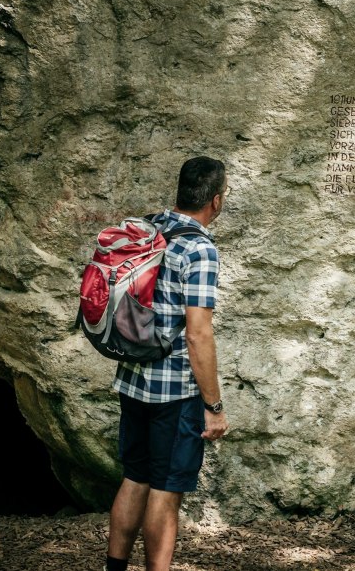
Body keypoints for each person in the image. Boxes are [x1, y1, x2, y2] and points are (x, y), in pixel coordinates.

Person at [104, 156, 230, 571]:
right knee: (166, 489)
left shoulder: (147, 229)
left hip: (133, 380)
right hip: (174, 392)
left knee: (135, 476)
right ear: (215, 200)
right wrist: (213, 407)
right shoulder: (200, 248)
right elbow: (198, 334)